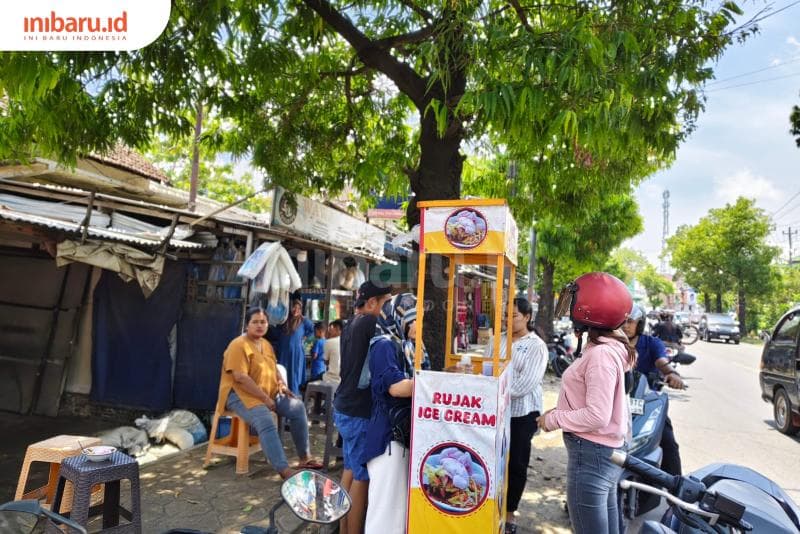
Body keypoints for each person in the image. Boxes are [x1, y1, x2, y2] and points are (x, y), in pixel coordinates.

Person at [538, 272, 635, 534]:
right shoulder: (608, 347)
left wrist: (553, 419)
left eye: (573, 302)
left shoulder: (601, 355)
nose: (569, 309)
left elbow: (597, 415)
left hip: (591, 454)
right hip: (603, 453)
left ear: (589, 310)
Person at [216, 306, 322, 480]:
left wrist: (282, 385)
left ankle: (305, 458)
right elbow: (240, 377)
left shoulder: (265, 344)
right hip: (240, 395)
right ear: (247, 325)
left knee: (297, 407)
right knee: (265, 419)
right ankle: (284, 470)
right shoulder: (238, 345)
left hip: (268, 393)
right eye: (255, 322)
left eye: (263, 322)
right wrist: (265, 399)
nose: (260, 325)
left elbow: (273, 368)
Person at [334, 281, 392, 534]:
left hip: (344, 406)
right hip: (358, 411)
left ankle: (342, 529)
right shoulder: (370, 323)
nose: (388, 309)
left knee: (350, 468)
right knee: (361, 477)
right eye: (385, 303)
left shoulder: (350, 323)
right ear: (371, 303)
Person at [488, 297, 548, 534]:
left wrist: (495, 391)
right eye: (505, 315)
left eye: (513, 316)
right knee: (494, 459)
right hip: (497, 410)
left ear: (527, 317)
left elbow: (525, 384)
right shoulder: (497, 340)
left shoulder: (536, 346)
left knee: (516, 463)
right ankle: (491, 507)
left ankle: (510, 513)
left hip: (522, 413)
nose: (508, 320)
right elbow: (488, 368)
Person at [362, 293, 417, 534]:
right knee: (384, 511)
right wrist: (433, 385)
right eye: (415, 319)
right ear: (400, 318)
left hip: (401, 436)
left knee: (397, 511)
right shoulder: (383, 345)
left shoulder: (405, 345)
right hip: (387, 439)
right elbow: (395, 387)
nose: (420, 325)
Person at [623, 304, 684, 476]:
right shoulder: (611, 344)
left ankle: (676, 487)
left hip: (646, 403)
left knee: (669, 443)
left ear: (640, 324)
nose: (625, 326)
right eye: (622, 321)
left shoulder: (652, 343)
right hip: (614, 403)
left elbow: (661, 362)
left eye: (630, 321)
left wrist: (671, 373)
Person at [270, 299, 315, 396]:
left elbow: (313, 330)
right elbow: (276, 332)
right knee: (282, 371)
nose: (296, 310)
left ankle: (294, 395)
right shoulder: (284, 319)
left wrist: (305, 339)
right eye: (294, 307)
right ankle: (282, 393)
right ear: (290, 308)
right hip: (283, 351)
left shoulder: (304, 321)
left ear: (301, 310)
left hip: (296, 352)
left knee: (294, 373)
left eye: (299, 308)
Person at [323, 320, 344, 384]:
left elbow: (326, 362)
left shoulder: (329, 342)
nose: (330, 331)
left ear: (337, 328)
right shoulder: (348, 341)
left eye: (331, 328)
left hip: (332, 377)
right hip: (345, 378)